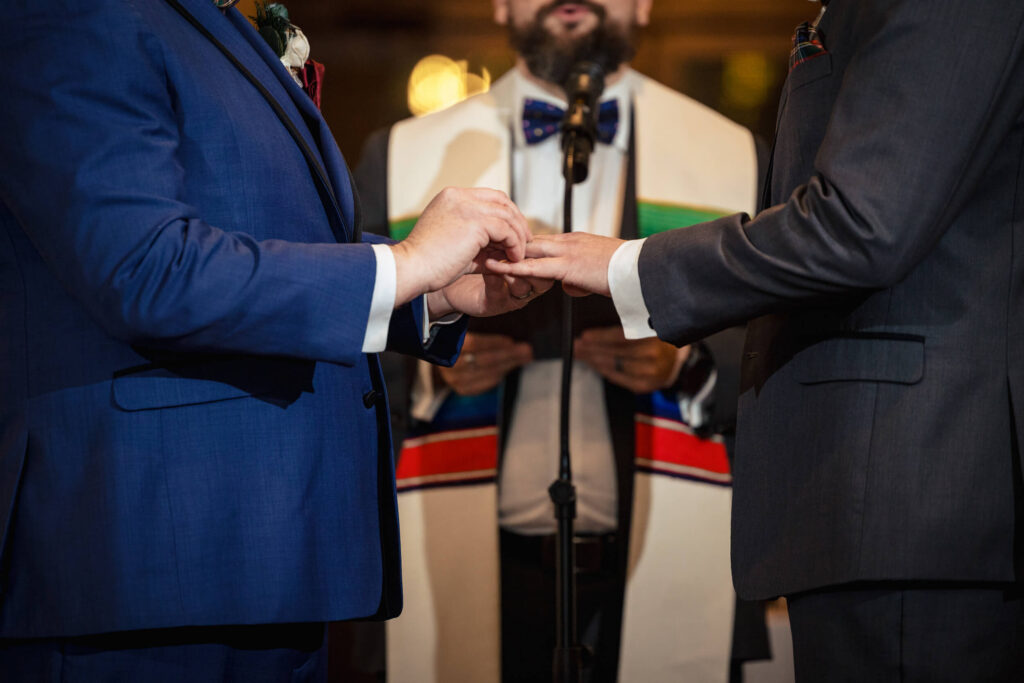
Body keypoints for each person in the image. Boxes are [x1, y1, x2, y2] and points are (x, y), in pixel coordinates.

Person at [0, 1, 548, 681]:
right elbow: (146, 268)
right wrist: (400, 265)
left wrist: (427, 293)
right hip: (145, 561)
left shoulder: (214, 20)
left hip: (260, 555)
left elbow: (250, 233)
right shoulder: (79, 12)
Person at [494, 0, 1024, 679]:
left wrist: (633, 276)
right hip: (882, 498)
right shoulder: (401, 154)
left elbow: (857, 228)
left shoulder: (724, 147)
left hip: (912, 487)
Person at [354, 0, 769, 680]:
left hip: (662, 559)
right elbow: (343, 341)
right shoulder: (397, 155)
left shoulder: (730, 153)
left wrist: (688, 362)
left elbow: (778, 340)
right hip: (475, 557)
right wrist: (434, 366)